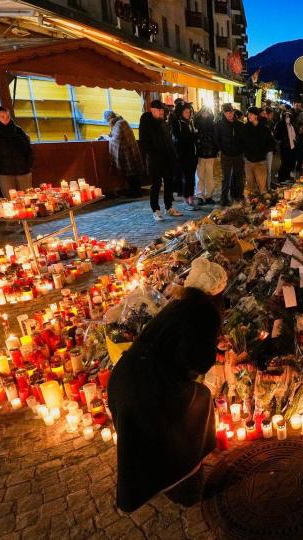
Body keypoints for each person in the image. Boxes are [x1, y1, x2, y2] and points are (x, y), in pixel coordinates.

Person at [108, 256, 227, 512]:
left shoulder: (178, 305)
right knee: (197, 403)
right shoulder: (204, 313)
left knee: (146, 431)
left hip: (124, 377)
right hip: (151, 386)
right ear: (216, 293)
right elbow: (196, 361)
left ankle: (163, 478)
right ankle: (183, 478)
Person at [139, 100, 181, 221]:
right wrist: (152, 154)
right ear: (152, 110)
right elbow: (144, 142)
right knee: (156, 185)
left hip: (167, 159)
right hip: (155, 160)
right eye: (160, 110)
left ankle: (169, 207)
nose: (162, 112)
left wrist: (174, 155)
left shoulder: (162, 122)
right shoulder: (146, 122)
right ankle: (156, 210)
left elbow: (168, 140)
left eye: (163, 110)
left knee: (169, 183)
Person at [0, 106, 33, 195]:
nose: (5, 119)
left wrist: (29, 163)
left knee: (27, 196)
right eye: (2, 116)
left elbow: (27, 148)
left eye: (7, 116)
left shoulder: (17, 130)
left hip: (23, 170)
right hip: (5, 172)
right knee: (11, 198)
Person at [105, 111, 145, 197]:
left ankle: (135, 192)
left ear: (109, 119)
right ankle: (136, 191)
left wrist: (107, 138)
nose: (108, 123)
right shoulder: (122, 122)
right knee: (134, 172)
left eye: (107, 121)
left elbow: (116, 139)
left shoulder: (119, 124)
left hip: (127, 151)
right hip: (131, 149)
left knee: (131, 173)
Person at [170, 103, 199, 210]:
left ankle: (190, 196)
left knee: (191, 177)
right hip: (183, 155)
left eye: (189, 112)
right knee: (187, 177)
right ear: (181, 113)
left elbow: (191, 136)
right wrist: (194, 135)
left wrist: (193, 136)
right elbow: (182, 139)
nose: (188, 114)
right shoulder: (178, 123)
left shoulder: (190, 122)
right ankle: (187, 198)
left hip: (193, 154)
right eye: (186, 112)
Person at [215, 105, 245, 205]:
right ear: (224, 113)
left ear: (233, 112)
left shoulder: (240, 124)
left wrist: (241, 149)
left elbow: (243, 139)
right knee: (225, 178)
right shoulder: (219, 124)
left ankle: (238, 195)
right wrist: (221, 150)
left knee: (239, 176)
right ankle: (223, 199)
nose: (229, 115)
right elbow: (217, 139)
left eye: (231, 112)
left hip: (238, 155)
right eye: (227, 113)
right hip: (226, 155)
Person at [242, 107, 275, 195]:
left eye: (251, 114)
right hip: (248, 161)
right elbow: (241, 142)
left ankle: (263, 206)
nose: (249, 116)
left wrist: (263, 152)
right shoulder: (245, 128)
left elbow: (271, 143)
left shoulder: (264, 129)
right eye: (248, 114)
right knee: (250, 187)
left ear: (256, 115)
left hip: (260, 161)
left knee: (262, 188)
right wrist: (245, 153)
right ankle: (250, 207)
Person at [193, 107, 218, 205]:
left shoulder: (212, 124)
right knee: (199, 175)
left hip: (210, 153)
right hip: (200, 153)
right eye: (204, 112)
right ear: (201, 113)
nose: (205, 114)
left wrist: (215, 150)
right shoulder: (196, 123)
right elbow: (195, 138)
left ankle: (209, 196)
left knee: (209, 175)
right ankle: (200, 195)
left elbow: (215, 138)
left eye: (207, 112)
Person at [274, 111, 299, 185]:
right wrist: (281, 141)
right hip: (284, 146)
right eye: (286, 116)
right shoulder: (280, 124)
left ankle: (287, 177)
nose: (287, 118)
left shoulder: (292, 125)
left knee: (290, 162)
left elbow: (295, 135)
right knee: (284, 163)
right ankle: (281, 179)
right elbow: (277, 135)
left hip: (292, 146)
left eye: (289, 116)